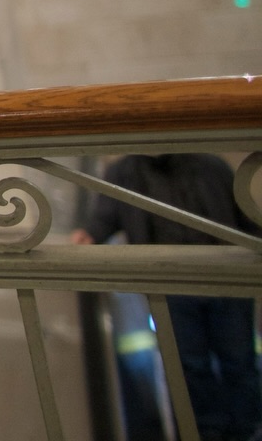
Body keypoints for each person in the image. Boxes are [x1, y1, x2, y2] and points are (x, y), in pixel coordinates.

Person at [71, 154, 261, 441]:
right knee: (189, 365)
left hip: (224, 280)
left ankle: (247, 431)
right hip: (173, 285)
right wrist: (90, 235)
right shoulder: (126, 171)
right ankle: (206, 432)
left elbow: (242, 217)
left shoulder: (210, 166)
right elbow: (104, 218)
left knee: (238, 360)